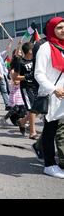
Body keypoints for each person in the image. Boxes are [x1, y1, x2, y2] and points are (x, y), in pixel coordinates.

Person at [34, 17, 64, 178]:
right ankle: (50, 164)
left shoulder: (63, 46)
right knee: (50, 130)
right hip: (53, 96)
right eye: (59, 28)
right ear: (52, 29)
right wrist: (54, 89)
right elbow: (39, 73)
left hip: (63, 95)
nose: (63, 30)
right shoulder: (46, 47)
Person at [13, 42, 40, 140]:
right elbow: (15, 77)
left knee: (39, 108)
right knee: (32, 109)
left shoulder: (36, 60)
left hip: (36, 87)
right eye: (34, 49)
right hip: (26, 88)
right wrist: (27, 76)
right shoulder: (20, 62)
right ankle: (32, 132)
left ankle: (22, 121)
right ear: (29, 51)